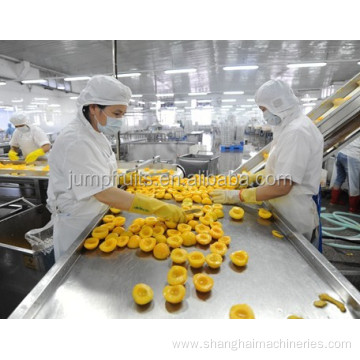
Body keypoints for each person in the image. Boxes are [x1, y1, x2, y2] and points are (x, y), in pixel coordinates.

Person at [47, 75, 186, 261]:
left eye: (122, 114)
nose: (120, 120)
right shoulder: (76, 141)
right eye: (117, 114)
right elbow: (104, 192)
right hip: (78, 225)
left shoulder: (96, 134)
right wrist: (157, 207)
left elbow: (98, 175)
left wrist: (123, 179)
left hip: (97, 217)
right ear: (94, 108)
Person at [211, 80, 324, 244]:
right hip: (282, 212)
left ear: (277, 104)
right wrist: (252, 178)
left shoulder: (296, 132)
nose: (264, 114)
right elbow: (282, 169)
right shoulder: (289, 127)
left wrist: (238, 195)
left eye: (264, 109)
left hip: (292, 220)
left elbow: (282, 186)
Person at [330, 137, 360, 213]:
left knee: (339, 178)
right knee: (354, 182)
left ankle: (333, 201)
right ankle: (353, 209)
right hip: (353, 156)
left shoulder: (354, 127)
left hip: (341, 154)